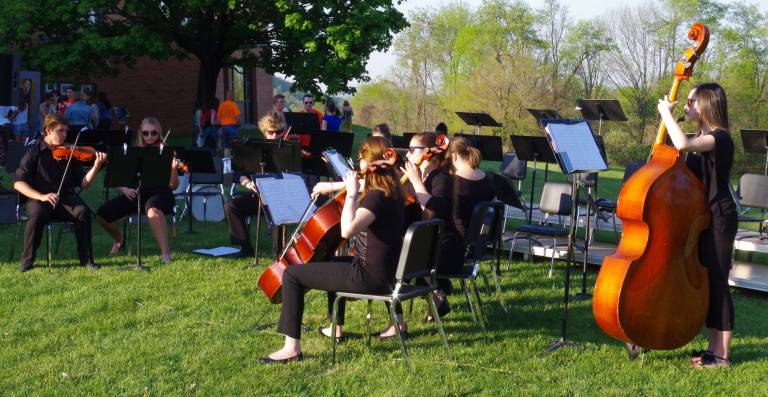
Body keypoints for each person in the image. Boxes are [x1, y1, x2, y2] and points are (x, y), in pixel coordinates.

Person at [260, 136, 404, 364]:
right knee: (331, 264)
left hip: (369, 278)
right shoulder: (392, 192)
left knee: (292, 275)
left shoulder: (375, 198)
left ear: (370, 163)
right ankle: (335, 328)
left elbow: (347, 229)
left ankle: (291, 348)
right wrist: (341, 187)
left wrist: (353, 195)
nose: (358, 165)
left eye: (360, 160)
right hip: (387, 274)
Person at [657, 82, 737, 369]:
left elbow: (683, 145)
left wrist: (665, 113)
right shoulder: (700, 136)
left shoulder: (720, 138)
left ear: (705, 105)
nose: (686, 106)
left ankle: (722, 356)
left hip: (720, 218)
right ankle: (712, 349)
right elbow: (674, 151)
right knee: (708, 282)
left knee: (718, 283)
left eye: (691, 102)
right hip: (700, 218)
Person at [13, 114, 107, 272]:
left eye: (66, 131)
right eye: (60, 131)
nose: (64, 135)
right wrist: (42, 196)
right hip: (39, 199)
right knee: (36, 214)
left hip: (64, 199)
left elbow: (84, 183)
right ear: (48, 131)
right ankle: (27, 261)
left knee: (82, 212)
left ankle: (86, 260)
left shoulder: (68, 153)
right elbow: (18, 182)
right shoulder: (34, 152)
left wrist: (96, 167)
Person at [95, 117, 180, 264]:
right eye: (146, 133)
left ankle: (165, 254)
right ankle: (118, 241)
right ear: (141, 133)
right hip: (138, 194)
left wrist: (173, 170)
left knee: (152, 209)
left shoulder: (166, 152)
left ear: (159, 133)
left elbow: (173, 186)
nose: (150, 137)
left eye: (154, 133)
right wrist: (124, 189)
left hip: (161, 194)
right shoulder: (134, 152)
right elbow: (117, 176)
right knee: (102, 214)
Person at [223, 112, 289, 258]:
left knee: (277, 208)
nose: (275, 136)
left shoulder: (289, 149)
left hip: (282, 196)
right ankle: (245, 248)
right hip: (259, 194)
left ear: (284, 132)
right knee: (231, 206)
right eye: (271, 132)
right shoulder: (255, 149)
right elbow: (238, 173)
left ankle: (279, 252)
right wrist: (246, 182)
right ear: (265, 132)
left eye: (279, 132)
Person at [218, 89, 241, 157]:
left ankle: (226, 163)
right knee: (236, 143)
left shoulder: (221, 105)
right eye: (233, 95)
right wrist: (239, 123)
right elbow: (238, 117)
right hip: (232, 127)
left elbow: (218, 118)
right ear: (231, 96)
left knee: (226, 146)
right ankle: (235, 160)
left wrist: (221, 127)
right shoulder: (233, 104)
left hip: (224, 128)